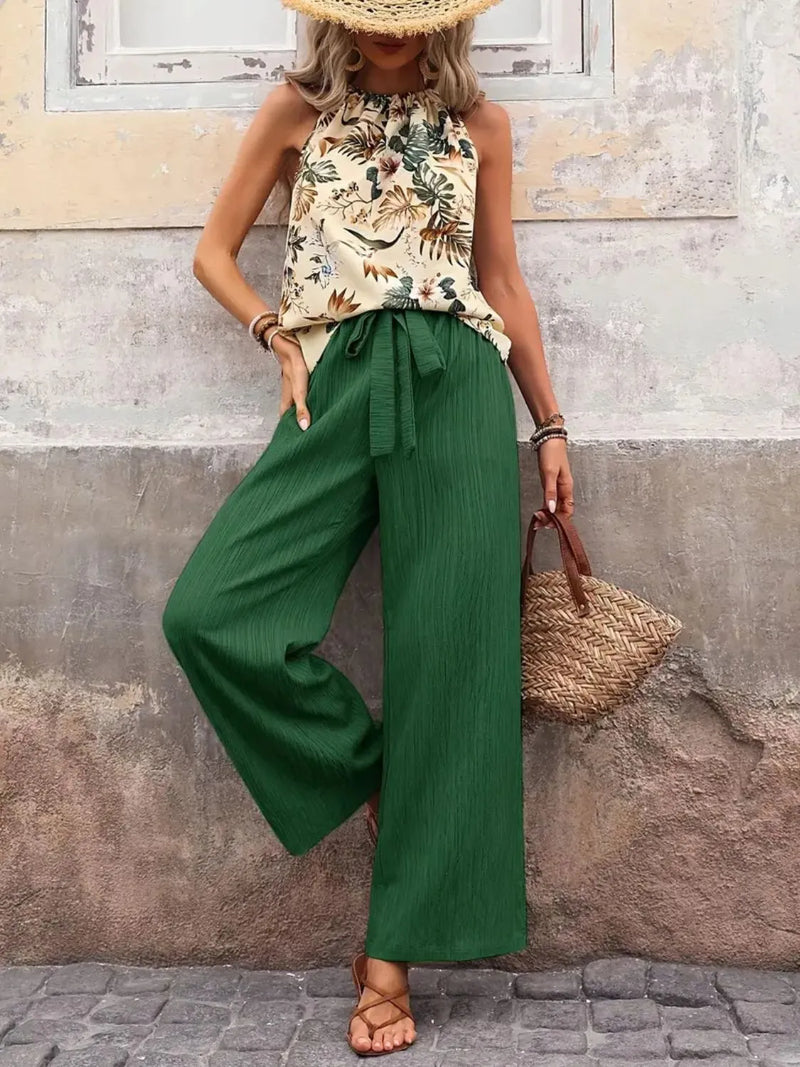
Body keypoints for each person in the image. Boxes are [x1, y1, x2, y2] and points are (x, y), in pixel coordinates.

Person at [161, 0, 576, 1057]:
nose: (389, 29)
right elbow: (213, 252)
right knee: (212, 614)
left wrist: (550, 424)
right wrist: (273, 333)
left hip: (458, 382)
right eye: (370, 11)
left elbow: (501, 280)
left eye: (408, 13)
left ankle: (388, 964)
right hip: (334, 376)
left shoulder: (480, 126)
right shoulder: (295, 111)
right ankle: (379, 774)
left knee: (450, 661)